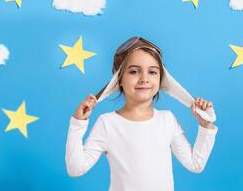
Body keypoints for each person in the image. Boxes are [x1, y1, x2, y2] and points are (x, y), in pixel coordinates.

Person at [65, 36, 218, 191]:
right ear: (119, 80)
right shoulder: (108, 123)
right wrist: (77, 124)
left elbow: (195, 164)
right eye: (134, 71)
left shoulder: (167, 120)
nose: (144, 79)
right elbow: (76, 168)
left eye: (152, 72)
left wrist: (205, 125)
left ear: (161, 79)